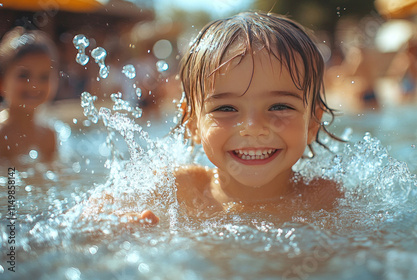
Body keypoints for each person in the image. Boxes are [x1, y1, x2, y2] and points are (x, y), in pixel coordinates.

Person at [83, 12, 344, 225]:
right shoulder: (177, 189)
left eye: (279, 106)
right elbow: (88, 215)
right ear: (193, 122)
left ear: (312, 123)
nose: (253, 127)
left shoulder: (324, 198)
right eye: (227, 109)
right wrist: (111, 226)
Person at [0, 27, 59, 163]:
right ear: (2, 82)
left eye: (44, 77)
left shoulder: (49, 136)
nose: (34, 85)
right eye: (24, 75)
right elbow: (10, 183)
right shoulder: (2, 135)